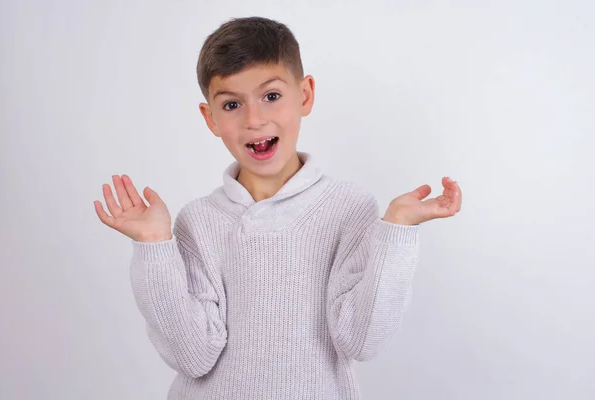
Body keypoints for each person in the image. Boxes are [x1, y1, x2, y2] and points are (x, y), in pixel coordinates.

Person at [94, 16, 462, 400]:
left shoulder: (349, 209)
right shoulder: (198, 221)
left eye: (271, 96)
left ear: (304, 95)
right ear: (211, 118)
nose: (255, 120)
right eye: (233, 104)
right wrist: (154, 246)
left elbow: (361, 341)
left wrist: (398, 231)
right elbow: (193, 356)